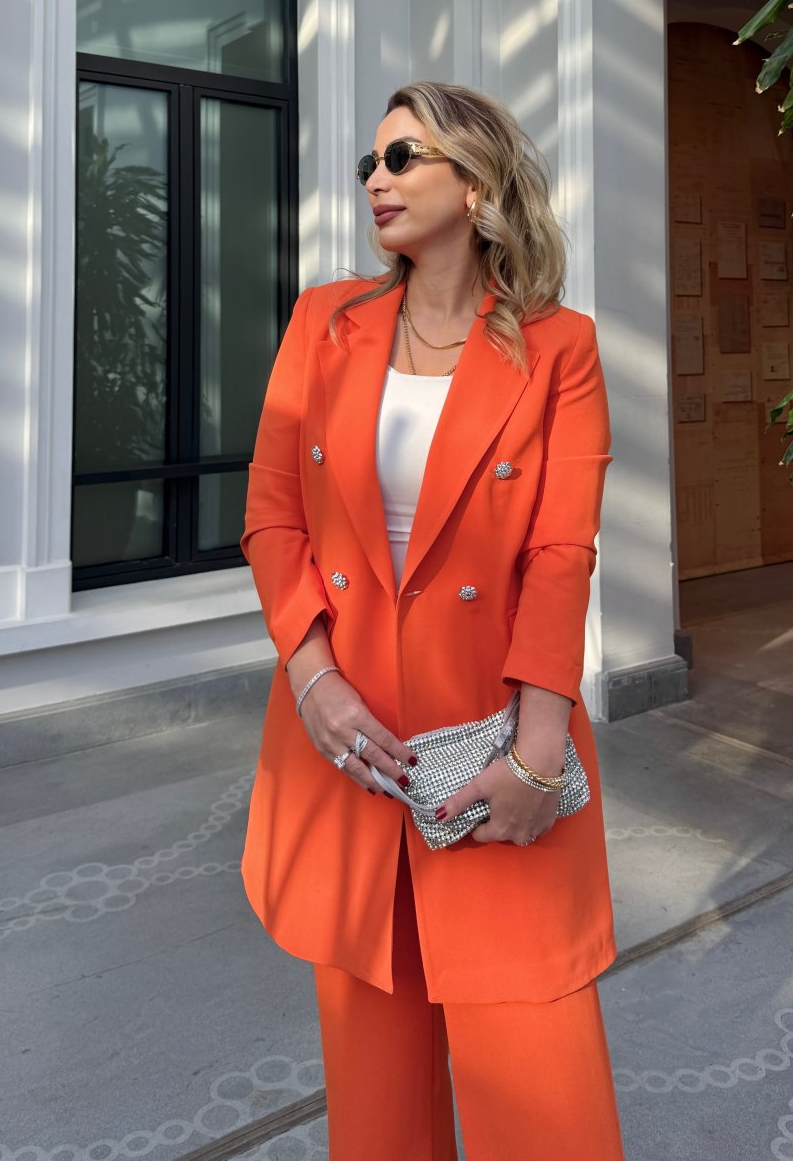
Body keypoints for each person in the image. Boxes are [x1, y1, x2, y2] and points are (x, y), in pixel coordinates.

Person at [240, 80, 624, 1160]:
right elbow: (272, 516)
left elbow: (560, 554)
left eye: (403, 157)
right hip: (351, 749)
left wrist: (538, 757)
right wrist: (313, 679)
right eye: (370, 162)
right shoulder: (325, 323)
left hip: (491, 747)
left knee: (544, 1095)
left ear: (478, 184)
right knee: (378, 1097)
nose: (376, 178)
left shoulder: (559, 347)